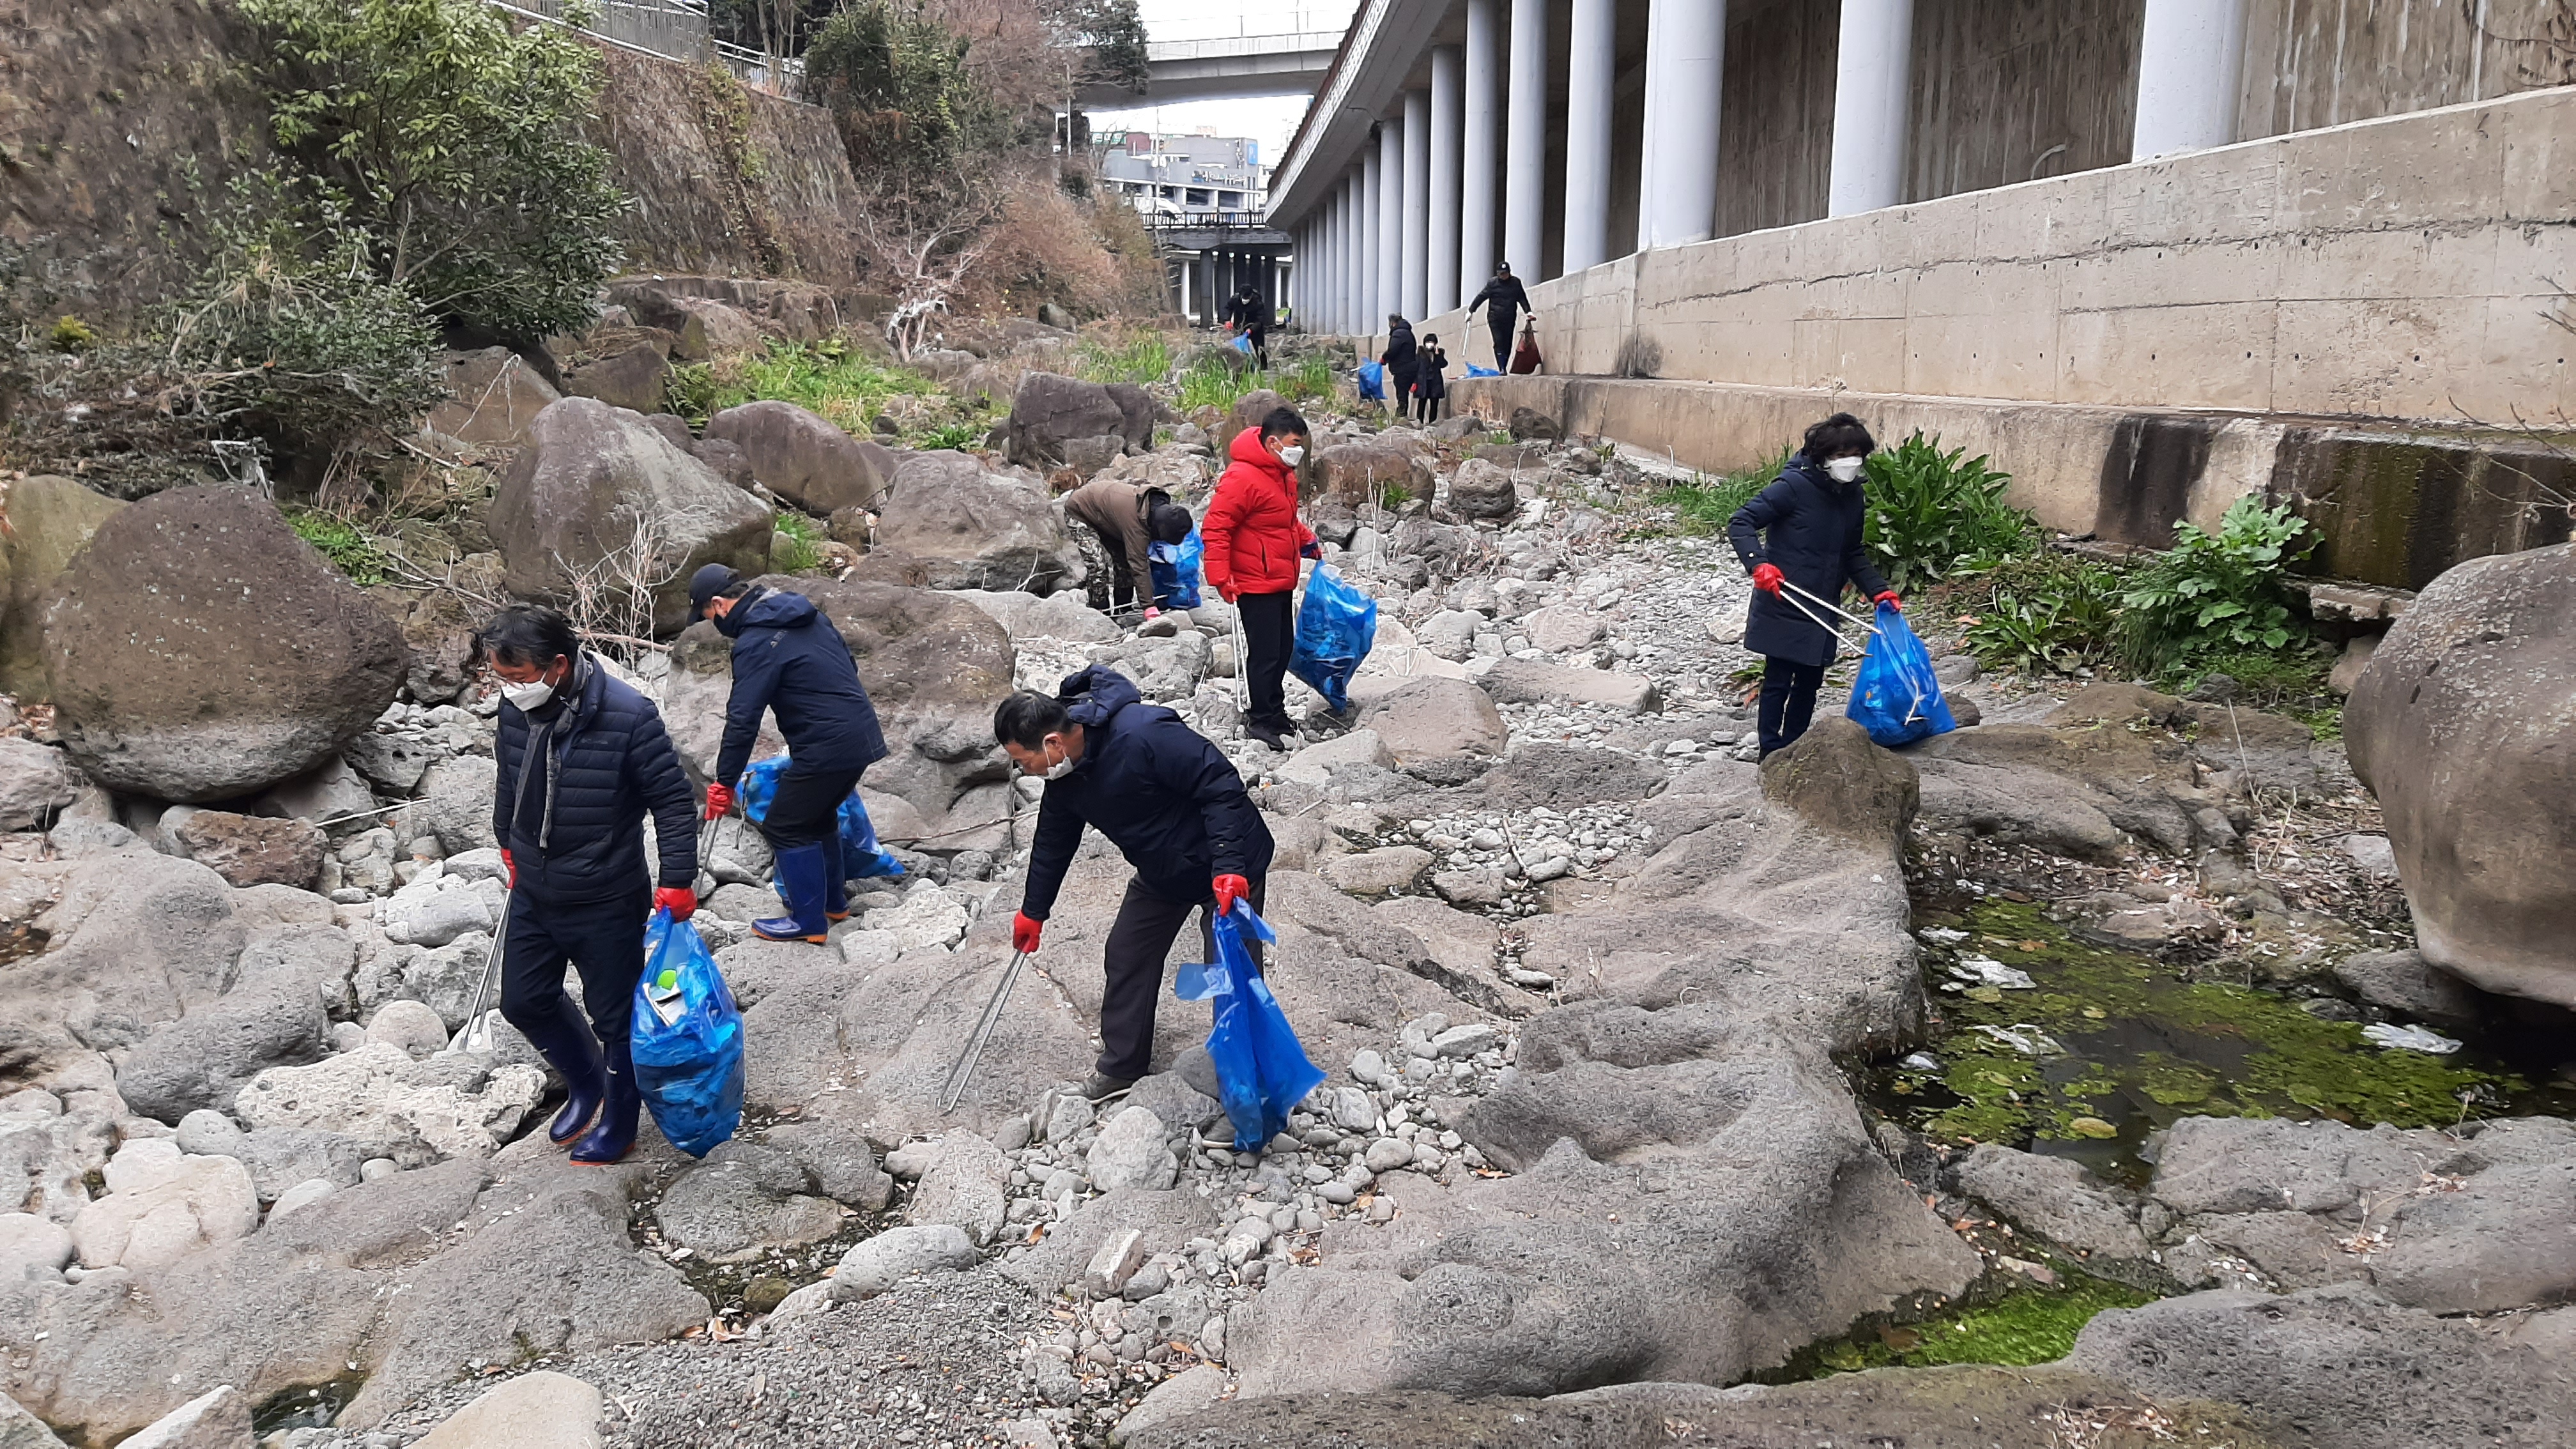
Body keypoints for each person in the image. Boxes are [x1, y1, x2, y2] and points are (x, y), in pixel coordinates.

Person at [484, 605, 700, 1165]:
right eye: (500, 679)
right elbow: (510, 777)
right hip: (534, 887)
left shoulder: (629, 716)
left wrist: (678, 880)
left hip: (605, 893)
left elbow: (674, 803)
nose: (510, 690)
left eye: (518, 678)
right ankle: (587, 1086)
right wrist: (507, 841)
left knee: (616, 1019)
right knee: (524, 1002)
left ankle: (621, 1122)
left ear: (558, 666)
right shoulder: (515, 710)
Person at [997, 668, 1275, 1099]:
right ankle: (1122, 1067)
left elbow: (1219, 784)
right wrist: (1034, 910)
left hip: (1228, 865)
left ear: (1051, 743)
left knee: (1230, 972)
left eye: (1022, 760)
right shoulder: (1065, 778)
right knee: (1127, 952)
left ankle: (1247, 1095)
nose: (1023, 770)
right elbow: (1053, 842)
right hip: (1163, 870)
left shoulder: (1144, 734)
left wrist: (1230, 865)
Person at [689, 564, 889, 944]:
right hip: (860, 735)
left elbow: (743, 718)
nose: (712, 623)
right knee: (816, 814)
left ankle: (807, 921)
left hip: (826, 746)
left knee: (785, 825)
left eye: (708, 615)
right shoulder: (804, 612)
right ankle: (832, 904)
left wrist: (724, 782)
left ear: (720, 604)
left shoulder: (755, 641)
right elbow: (849, 664)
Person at [1725, 413, 1903, 759]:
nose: (1848, 462)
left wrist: (1878, 589)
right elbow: (1741, 521)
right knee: (1778, 678)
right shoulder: (1792, 487)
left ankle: (1795, 747)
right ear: (1822, 456)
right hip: (1784, 596)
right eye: (1840, 455)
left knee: (1810, 681)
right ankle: (1770, 751)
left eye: (1856, 455)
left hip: (1823, 601)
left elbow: (1852, 552)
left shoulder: (1852, 495)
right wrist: (1758, 564)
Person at [1200, 406, 1321, 751]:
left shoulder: (1280, 473)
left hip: (1279, 577)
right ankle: (1261, 720)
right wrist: (1222, 578)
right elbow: (1217, 527)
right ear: (1273, 442)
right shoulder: (1243, 477)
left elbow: (1279, 520)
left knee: (1282, 648)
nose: (1299, 450)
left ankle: (1275, 710)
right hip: (1254, 582)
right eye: (1294, 443)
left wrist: (1304, 538)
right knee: (1266, 653)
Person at [1062, 477, 1195, 617]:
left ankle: (1123, 609)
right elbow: (1139, 566)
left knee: (1124, 563)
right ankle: (1100, 613)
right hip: (1081, 510)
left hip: (1110, 518)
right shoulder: (1136, 525)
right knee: (1098, 566)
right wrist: (1149, 606)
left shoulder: (1161, 511)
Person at [1464, 261, 1533, 374]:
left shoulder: (1516, 283)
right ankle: (1502, 367)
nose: (1504, 276)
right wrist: (1471, 311)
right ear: (1498, 274)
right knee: (1499, 341)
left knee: (1508, 342)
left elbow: (1522, 298)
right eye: (1502, 274)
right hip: (1495, 317)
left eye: (1506, 273)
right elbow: (1481, 297)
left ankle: (1504, 364)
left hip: (1510, 316)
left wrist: (1528, 311)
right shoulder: (1493, 284)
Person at [1379, 314, 1418, 418]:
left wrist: (1385, 358)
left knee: (1401, 394)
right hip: (1410, 368)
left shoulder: (1399, 333)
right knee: (1404, 393)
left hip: (1402, 369)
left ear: (1393, 323)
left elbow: (1393, 350)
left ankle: (1401, 415)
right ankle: (1402, 413)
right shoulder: (1408, 333)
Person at [1222, 283, 1270, 368]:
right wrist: (1227, 320)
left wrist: (1252, 329)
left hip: (1255, 326)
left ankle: (1263, 367)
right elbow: (1228, 308)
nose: (1245, 300)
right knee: (1240, 348)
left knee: (1259, 347)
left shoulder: (1258, 303)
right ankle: (1242, 366)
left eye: (1247, 298)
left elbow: (1260, 320)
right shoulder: (1235, 300)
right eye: (1244, 298)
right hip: (1240, 325)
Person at [1413, 333, 1448, 425]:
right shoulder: (1420, 353)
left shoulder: (1439, 353)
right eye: (1428, 342)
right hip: (1423, 381)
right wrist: (1415, 381)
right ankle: (1419, 421)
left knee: (1434, 402)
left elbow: (1444, 364)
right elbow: (1416, 367)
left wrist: (1438, 355)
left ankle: (1432, 422)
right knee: (1422, 401)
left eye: (1432, 342)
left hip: (1435, 381)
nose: (1430, 344)